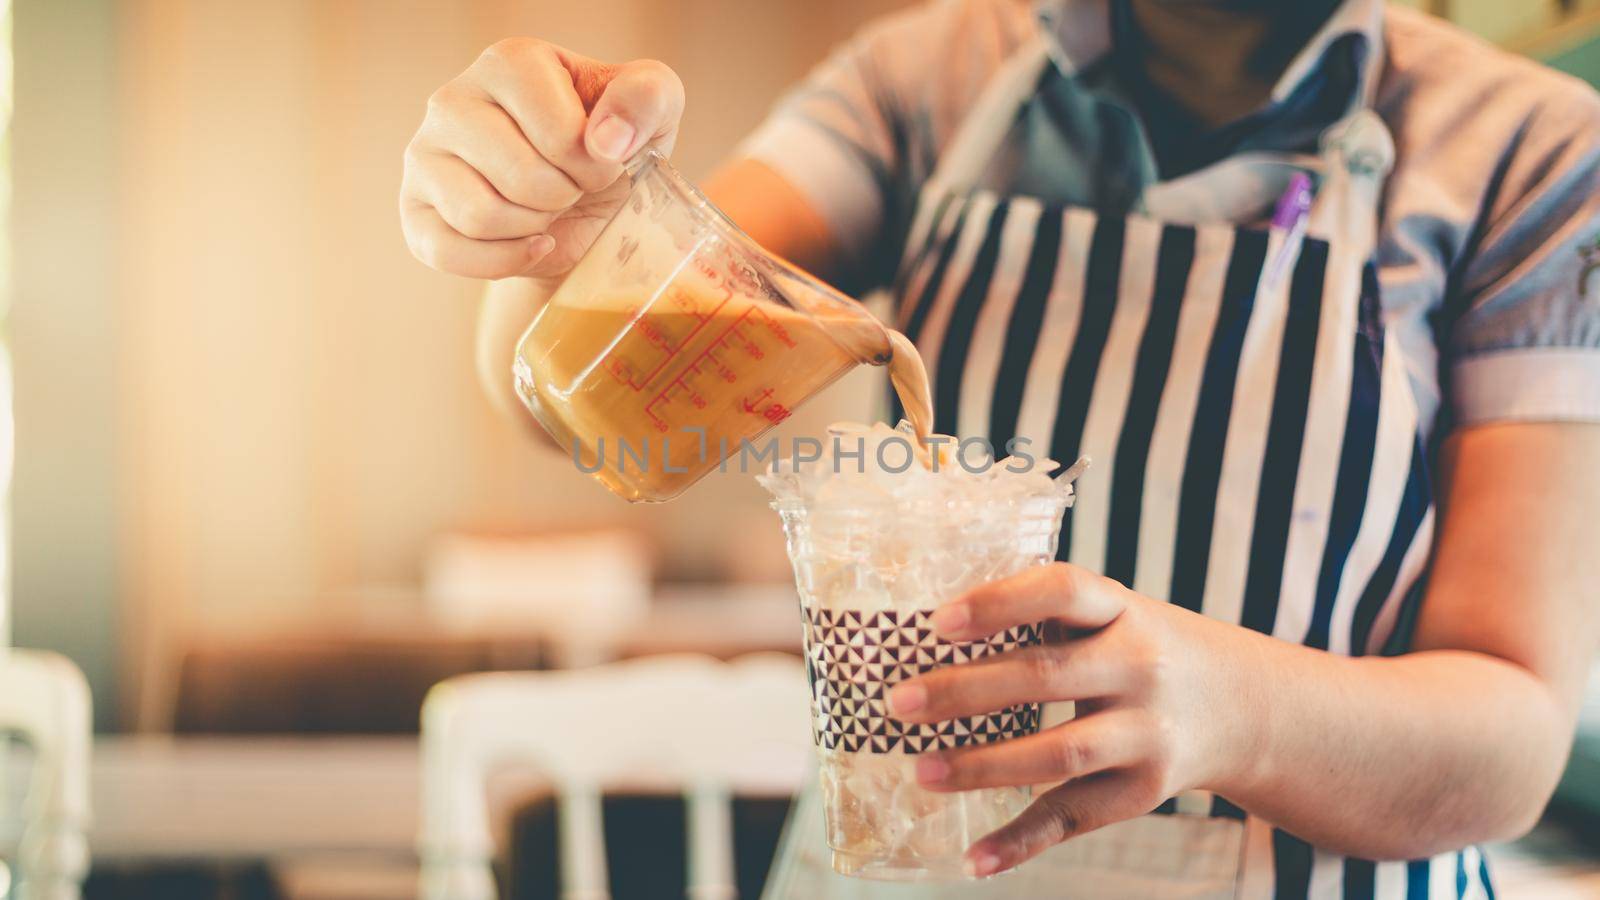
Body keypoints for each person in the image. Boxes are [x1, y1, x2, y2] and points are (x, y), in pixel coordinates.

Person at [399, 0, 1600, 895]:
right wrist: (564, 217)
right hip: (901, 861)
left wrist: (1232, 709)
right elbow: (605, 384)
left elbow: (1511, 740)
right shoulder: (928, 82)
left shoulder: (1531, 154)